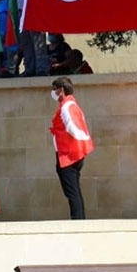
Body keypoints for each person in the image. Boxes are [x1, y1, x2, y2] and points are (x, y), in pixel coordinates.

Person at [50, 77, 94, 219]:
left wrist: (79, 138)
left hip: (67, 154)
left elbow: (71, 126)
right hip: (73, 153)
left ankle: (78, 221)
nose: (53, 92)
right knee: (74, 190)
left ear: (61, 89)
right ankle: (79, 219)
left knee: (72, 192)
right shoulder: (72, 104)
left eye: (55, 88)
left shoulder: (66, 106)